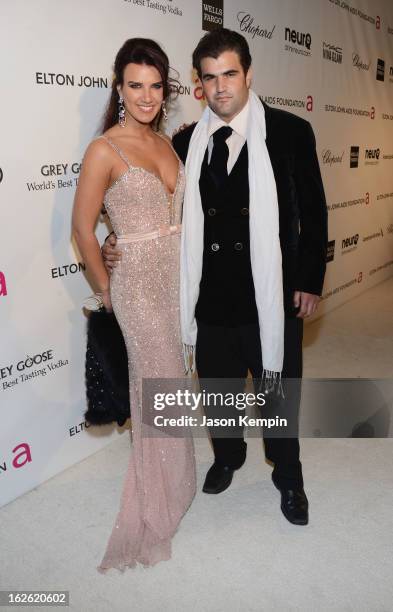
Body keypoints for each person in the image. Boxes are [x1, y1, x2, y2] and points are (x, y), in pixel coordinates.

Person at [103, 29, 328, 526]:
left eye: (230, 74)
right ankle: (228, 457)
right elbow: (157, 214)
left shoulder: (291, 131)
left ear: (248, 74)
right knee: (218, 391)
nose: (222, 86)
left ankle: (288, 476)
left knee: (278, 394)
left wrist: (310, 279)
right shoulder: (186, 143)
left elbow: (314, 213)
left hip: (272, 296)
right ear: (201, 86)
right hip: (210, 300)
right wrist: (114, 240)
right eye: (210, 78)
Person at [72, 38, 196, 572]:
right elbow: (82, 227)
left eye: (155, 86)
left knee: (174, 382)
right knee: (159, 381)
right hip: (138, 288)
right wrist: (106, 291)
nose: (146, 96)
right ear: (119, 89)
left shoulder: (168, 144)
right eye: (135, 85)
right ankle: (159, 497)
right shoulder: (106, 148)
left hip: (177, 282)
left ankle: (179, 479)